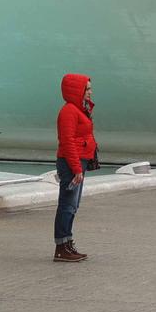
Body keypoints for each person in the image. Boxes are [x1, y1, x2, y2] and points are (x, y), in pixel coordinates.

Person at [54, 72, 97, 261]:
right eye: (87, 89)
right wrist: (77, 169)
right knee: (67, 205)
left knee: (73, 205)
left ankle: (67, 243)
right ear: (76, 90)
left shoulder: (78, 109)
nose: (90, 92)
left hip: (79, 161)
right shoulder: (69, 111)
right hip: (72, 162)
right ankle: (61, 247)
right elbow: (67, 141)